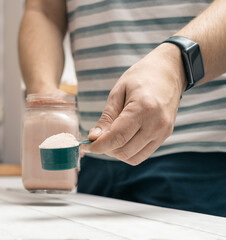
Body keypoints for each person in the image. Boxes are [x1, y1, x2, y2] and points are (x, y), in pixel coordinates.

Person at [19, 0, 226, 217]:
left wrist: (177, 64)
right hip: (94, 164)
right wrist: (44, 96)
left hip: (200, 159)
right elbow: (43, 11)